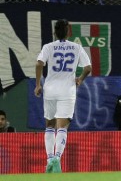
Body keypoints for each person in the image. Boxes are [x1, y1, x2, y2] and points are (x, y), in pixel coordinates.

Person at [34, 19, 92, 173]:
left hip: (50, 90)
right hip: (67, 90)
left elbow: (39, 64)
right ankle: (57, 159)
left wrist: (38, 84)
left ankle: (49, 159)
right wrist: (80, 79)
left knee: (49, 126)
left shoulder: (48, 47)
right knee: (62, 127)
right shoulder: (76, 47)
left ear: (54, 32)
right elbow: (88, 68)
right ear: (69, 32)